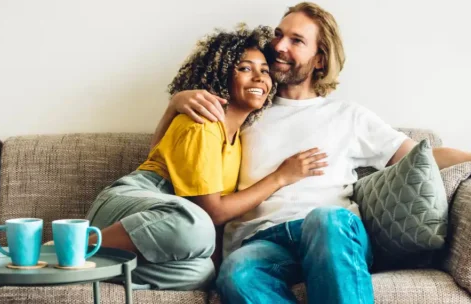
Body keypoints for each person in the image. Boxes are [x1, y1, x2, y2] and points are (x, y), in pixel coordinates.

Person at [151, 2, 471, 303]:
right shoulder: (245, 110)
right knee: (237, 274)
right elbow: (167, 156)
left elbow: (422, 156)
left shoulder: (347, 115)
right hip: (262, 239)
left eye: (296, 40)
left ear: (319, 58)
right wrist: (174, 104)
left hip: (331, 232)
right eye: (278, 34)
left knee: (326, 220)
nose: (278, 46)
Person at [81, 25, 328, 291]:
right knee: (197, 224)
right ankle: (70, 248)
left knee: (202, 272)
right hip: (128, 207)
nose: (259, 77)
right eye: (244, 68)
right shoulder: (203, 123)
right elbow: (213, 212)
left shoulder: (237, 139)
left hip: (166, 225)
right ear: (222, 75)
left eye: (265, 70)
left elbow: (162, 153)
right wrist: (280, 177)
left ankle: (91, 267)